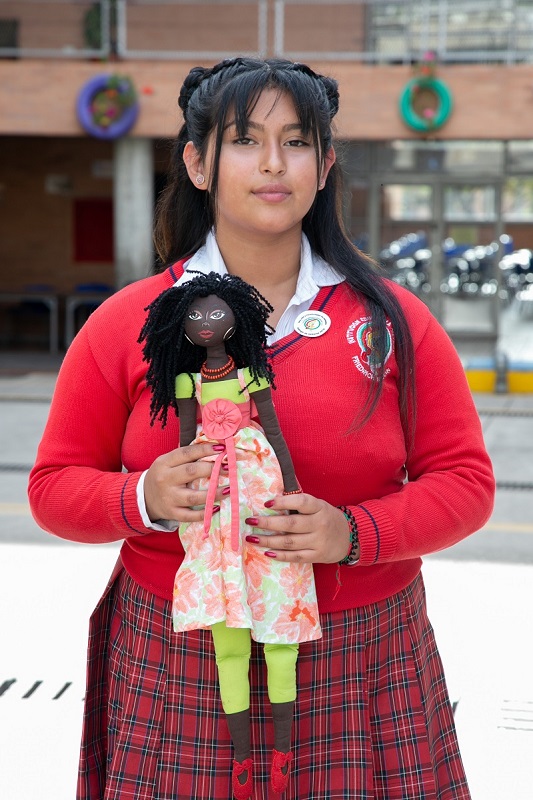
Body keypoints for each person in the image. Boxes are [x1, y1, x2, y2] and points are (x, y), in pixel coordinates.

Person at [28, 56, 495, 800]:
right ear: (197, 162)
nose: (273, 163)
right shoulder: (132, 322)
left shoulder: (392, 321)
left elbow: (466, 484)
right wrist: (143, 496)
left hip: (361, 656)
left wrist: (354, 532)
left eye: (298, 141)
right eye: (244, 140)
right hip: (179, 653)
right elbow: (53, 488)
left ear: (325, 162)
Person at [139, 271, 322, 797]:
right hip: (214, 491)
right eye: (195, 318)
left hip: (256, 477)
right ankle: (244, 759)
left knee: (278, 621)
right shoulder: (186, 383)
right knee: (229, 646)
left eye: (215, 315)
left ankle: (282, 754)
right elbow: (182, 441)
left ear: (236, 319)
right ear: (181, 327)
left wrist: (290, 485)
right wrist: (182, 495)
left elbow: (276, 432)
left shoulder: (249, 377)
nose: (206, 324)